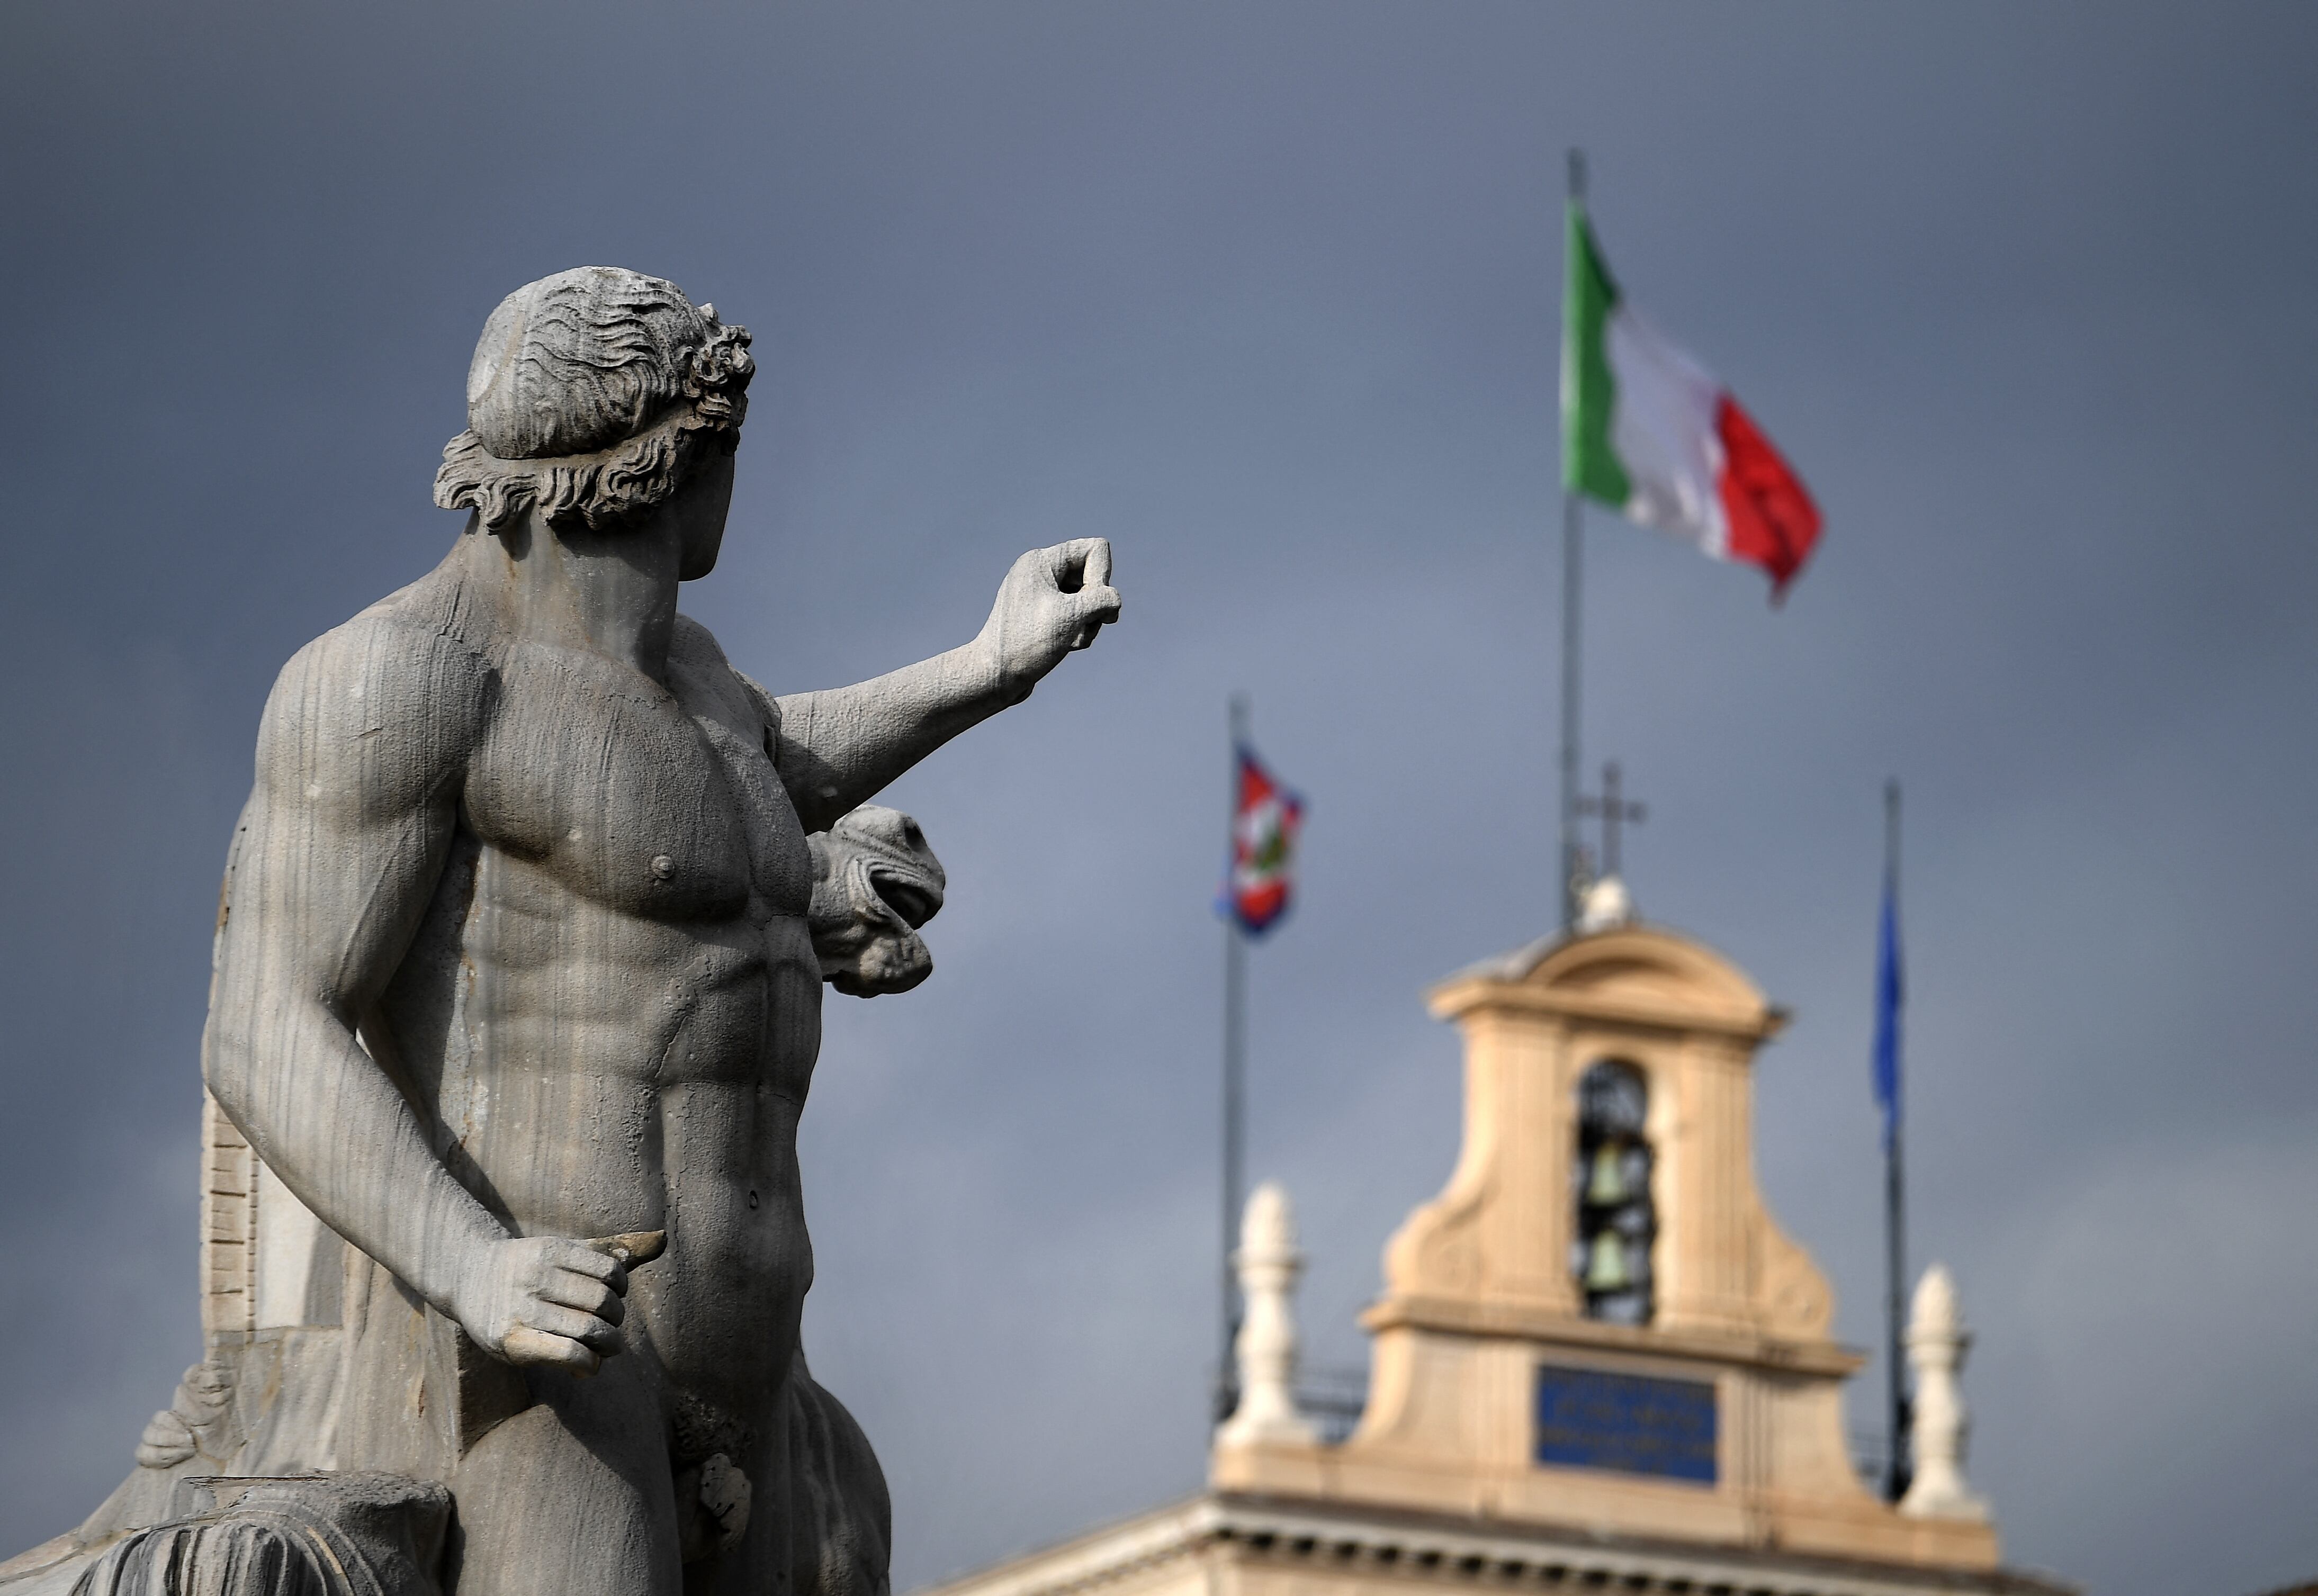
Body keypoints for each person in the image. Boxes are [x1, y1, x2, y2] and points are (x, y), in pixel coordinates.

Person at [201, 267, 1120, 1596]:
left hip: (761, 1379)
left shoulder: (695, 682)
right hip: (557, 1371)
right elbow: (263, 1027)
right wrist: (472, 1265)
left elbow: (761, 762)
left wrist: (988, 664)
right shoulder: (403, 679)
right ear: (696, 457)